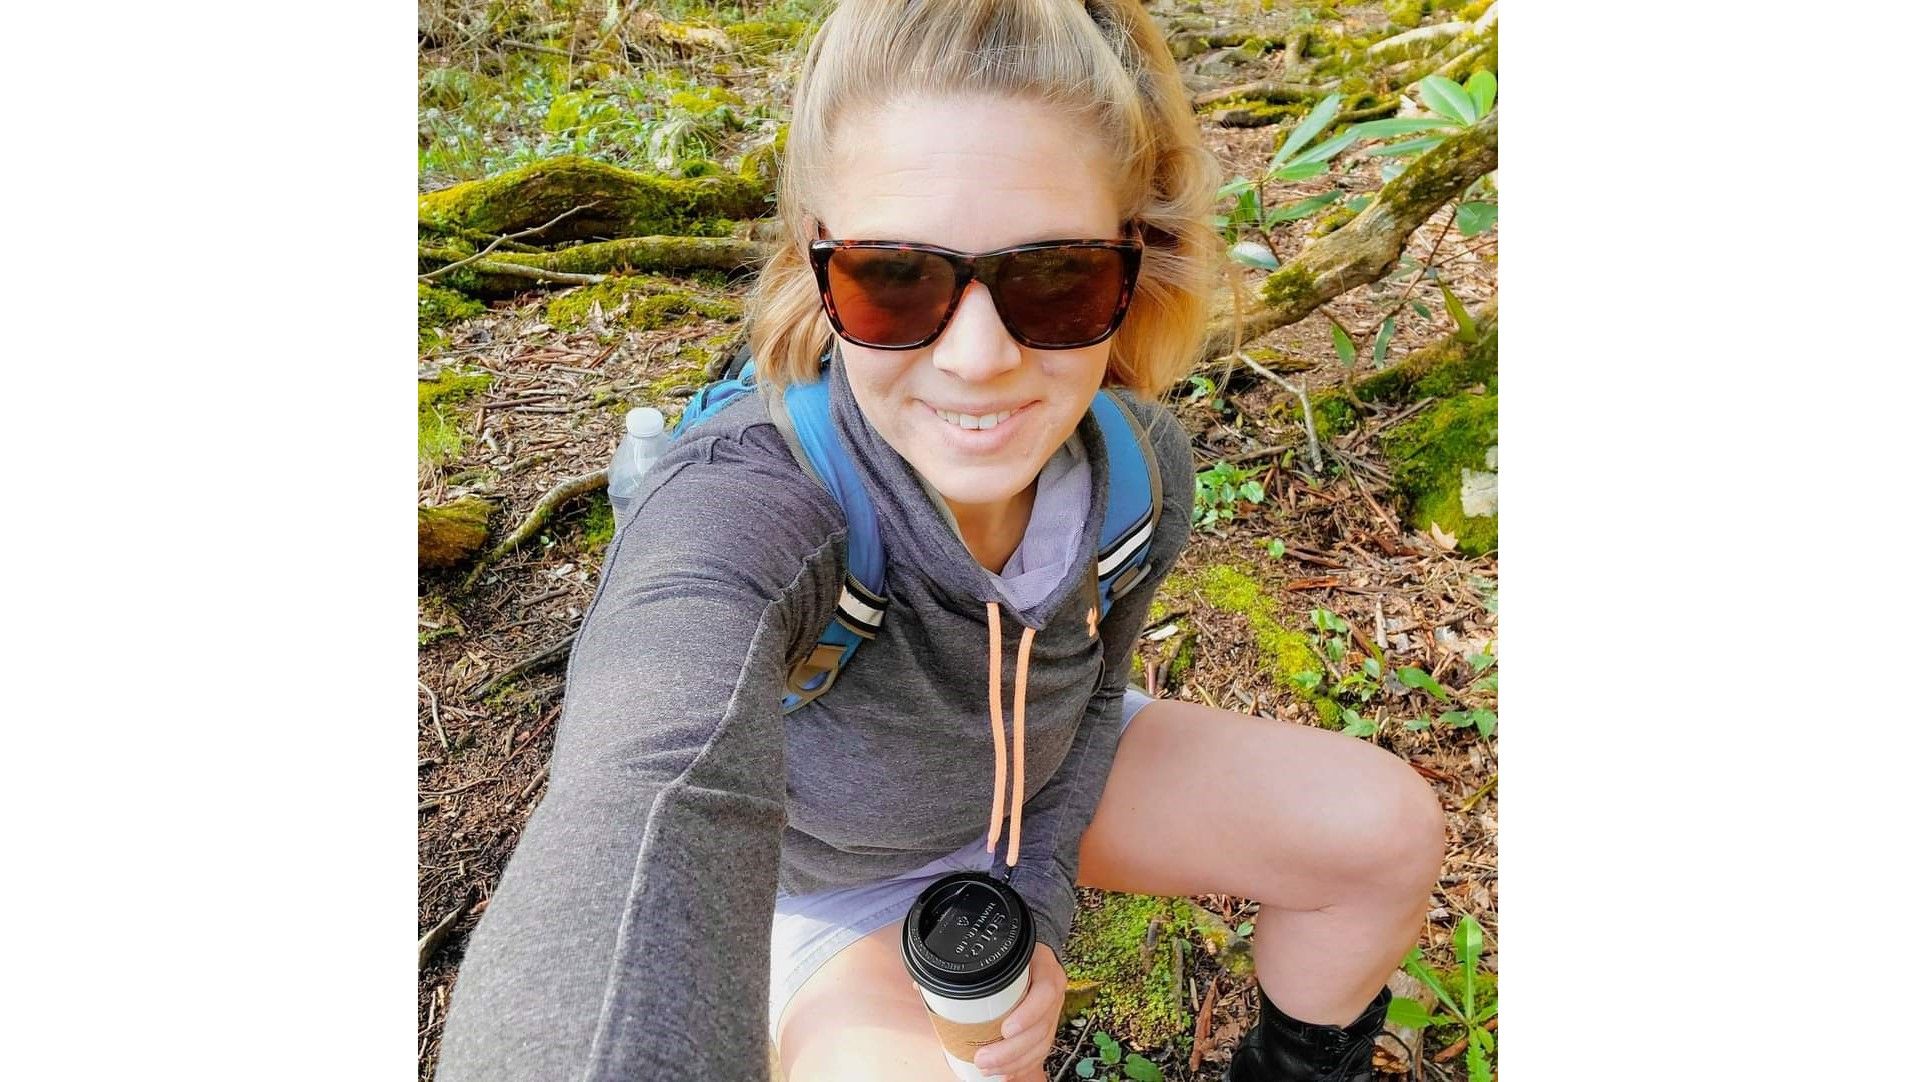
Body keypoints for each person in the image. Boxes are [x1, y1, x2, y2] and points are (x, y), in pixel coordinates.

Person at [433, 2, 1445, 1080]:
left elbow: (1094, 703)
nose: (977, 357)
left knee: (1378, 832)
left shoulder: (1136, 473)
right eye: (896, 278)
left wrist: (1036, 902)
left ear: (1135, 259)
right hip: (822, 884)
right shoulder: (752, 503)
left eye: (1054, 276)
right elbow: (647, 790)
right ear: (816, 263)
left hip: (1023, 793)